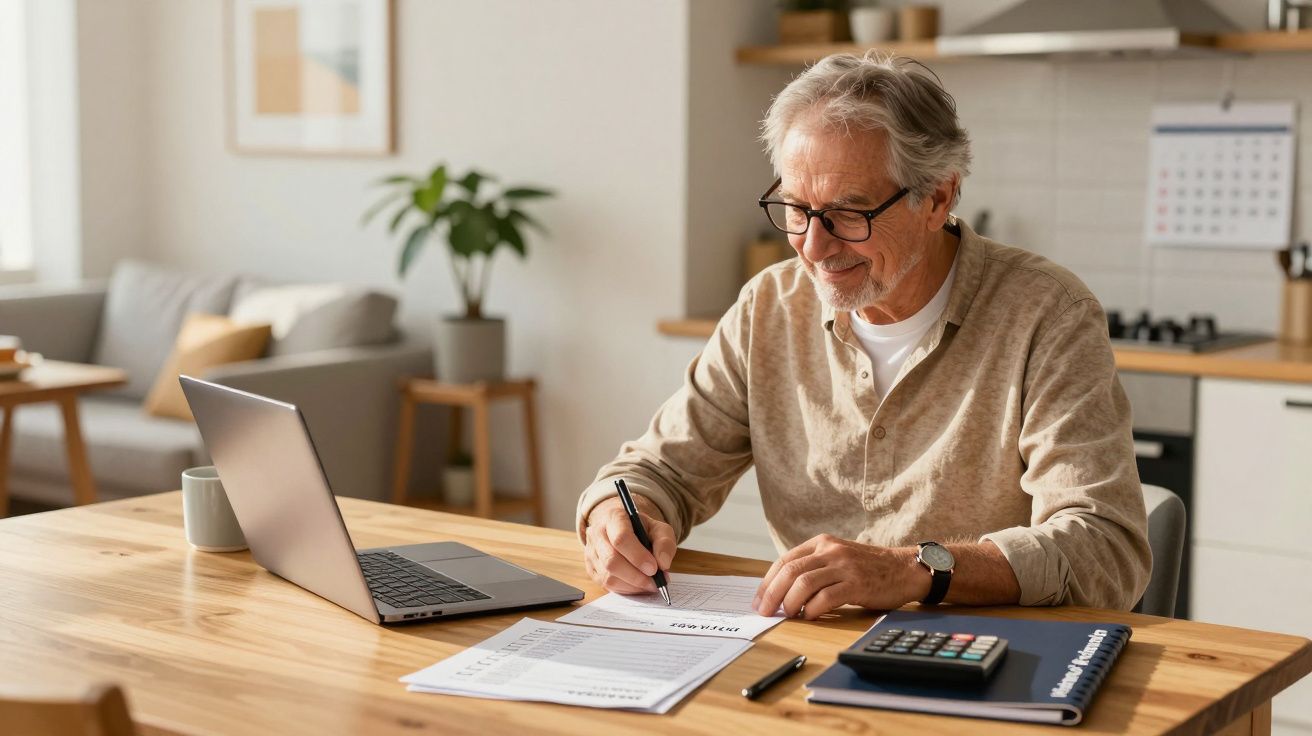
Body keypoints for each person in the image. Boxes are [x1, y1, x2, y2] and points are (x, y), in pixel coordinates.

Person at [576, 53, 1150, 619]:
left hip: (985, 662)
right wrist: (619, 517)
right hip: (805, 659)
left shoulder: (1048, 314)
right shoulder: (768, 308)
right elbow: (658, 471)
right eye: (797, 210)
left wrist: (914, 573)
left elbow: (1105, 548)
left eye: (851, 215)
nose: (813, 247)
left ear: (939, 197)